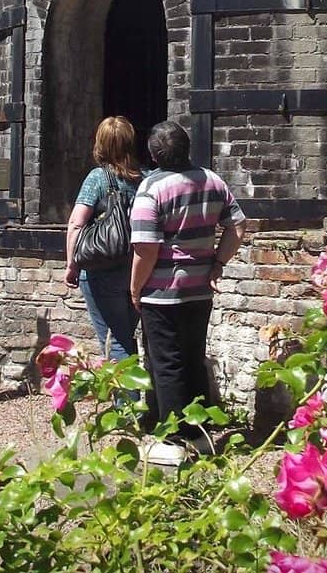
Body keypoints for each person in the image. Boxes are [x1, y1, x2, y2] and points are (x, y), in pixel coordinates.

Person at [130, 120, 246, 464]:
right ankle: (200, 434)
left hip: (161, 291)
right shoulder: (212, 180)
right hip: (199, 289)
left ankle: (171, 440)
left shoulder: (151, 188)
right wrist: (218, 263)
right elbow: (237, 225)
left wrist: (135, 287)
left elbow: (145, 248)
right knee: (194, 357)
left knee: (166, 362)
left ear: (153, 155)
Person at [64, 115, 147, 363]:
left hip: (102, 269)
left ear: (100, 144)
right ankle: (135, 385)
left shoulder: (98, 178)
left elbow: (77, 223)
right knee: (126, 335)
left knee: (115, 341)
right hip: (138, 267)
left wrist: (72, 265)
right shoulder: (146, 178)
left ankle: (123, 390)